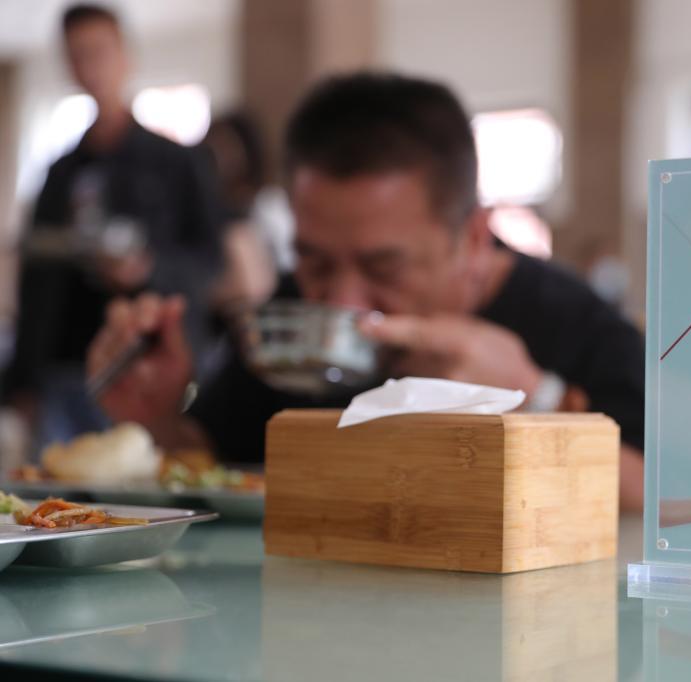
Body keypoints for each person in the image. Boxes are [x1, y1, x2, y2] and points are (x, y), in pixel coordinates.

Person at [87, 73, 646, 510]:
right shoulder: (291, 320)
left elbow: (665, 501)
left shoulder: (576, 325)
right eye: (315, 260)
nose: (342, 304)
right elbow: (216, 465)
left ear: (473, 239)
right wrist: (156, 416)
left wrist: (536, 397)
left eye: (383, 267)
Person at [1, 4, 223, 447]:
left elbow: (210, 259)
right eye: (78, 54)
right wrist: (22, 379)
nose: (90, 66)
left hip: (142, 366)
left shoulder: (175, 162)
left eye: (99, 51)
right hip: (65, 367)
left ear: (125, 56)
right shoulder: (60, 172)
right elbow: (37, 277)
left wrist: (148, 270)